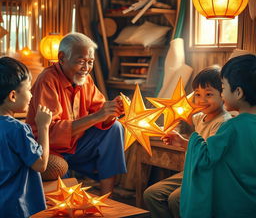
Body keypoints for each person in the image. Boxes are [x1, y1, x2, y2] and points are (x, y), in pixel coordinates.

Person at [26, 32, 127, 195]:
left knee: (115, 128)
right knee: (58, 172)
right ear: (62, 58)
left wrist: (113, 111)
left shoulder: (85, 79)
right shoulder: (47, 80)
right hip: (50, 148)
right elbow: (51, 132)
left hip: (78, 144)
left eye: (90, 62)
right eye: (81, 61)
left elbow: (100, 112)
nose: (86, 68)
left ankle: (108, 197)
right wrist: (98, 115)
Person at [143, 65, 232, 218]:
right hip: (192, 171)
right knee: (151, 194)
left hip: (209, 175)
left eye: (209, 94)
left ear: (223, 95)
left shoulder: (223, 122)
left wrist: (183, 142)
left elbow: (207, 155)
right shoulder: (198, 118)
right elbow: (194, 145)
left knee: (176, 199)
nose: (202, 100)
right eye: (197, 94)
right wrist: (175, 137)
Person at [181, 54, 256, 218]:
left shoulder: (230, 127)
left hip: (232, 202)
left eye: (222, 88)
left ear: (238, 92)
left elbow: (206, 158)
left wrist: (194, 139)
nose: (221, 94)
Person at [0, 57, 52, 218]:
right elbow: (41, 164)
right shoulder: (17, 129)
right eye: (29, 89)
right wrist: (43, 127)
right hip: (17, 206)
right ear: (13, 96)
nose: (31, 95)